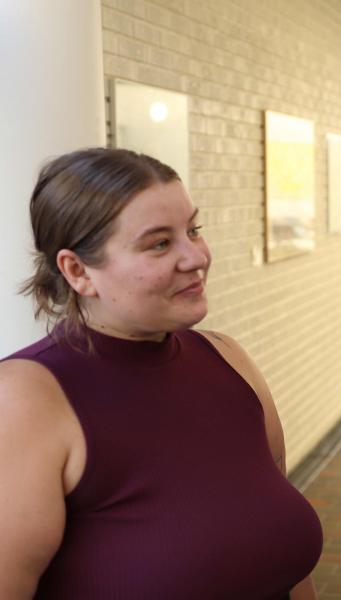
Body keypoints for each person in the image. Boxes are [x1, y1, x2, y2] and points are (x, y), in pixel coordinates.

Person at [0, 148, 322, 599]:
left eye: (193, 230)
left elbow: (283, 557)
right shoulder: (26, 400)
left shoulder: (229, 359)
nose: (196, 257)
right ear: (78, 271)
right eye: (159, 244)